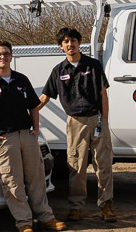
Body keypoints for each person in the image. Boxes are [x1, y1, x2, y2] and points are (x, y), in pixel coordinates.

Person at [0, 40, 62, 232]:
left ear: (11, 56)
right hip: (4, 140)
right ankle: (24, 223)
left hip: (26, 136)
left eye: (6, 53)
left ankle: (46, 217)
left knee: (37, 179)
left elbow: (34, 106)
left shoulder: (21, 80)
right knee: (13, 183)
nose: (2, 57)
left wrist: (35, 130)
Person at [39, 26, 115, 221]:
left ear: (79, 43)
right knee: (76, 166)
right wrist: (28, 112)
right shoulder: (59, 70)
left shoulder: (93, 65)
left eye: (73, 40)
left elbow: (103, 95)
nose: (70, 44)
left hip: (96, 119)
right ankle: (76, 208)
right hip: (74, 122)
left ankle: (106, 206)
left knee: (103, 165)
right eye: (65, 42)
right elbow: (45, 96)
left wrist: (104, 122)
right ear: (60, 46)